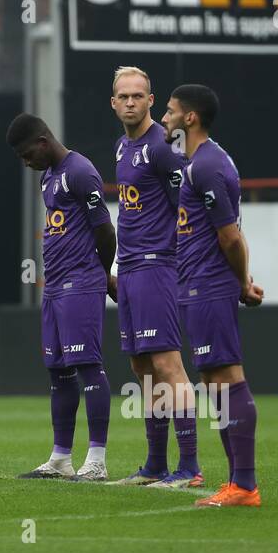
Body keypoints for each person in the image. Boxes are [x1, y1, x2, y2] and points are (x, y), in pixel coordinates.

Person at [159, 85, 265, 508]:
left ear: (190, 118)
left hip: (208, 286)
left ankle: (245, 485)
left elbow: (230, 235)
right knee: (214, 383)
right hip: (197, 286)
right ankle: (238, 483)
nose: (164, 119)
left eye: (169, 112)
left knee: (226, 379)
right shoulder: (200, 162)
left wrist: (241, 282)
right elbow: (231, 229)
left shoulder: (206, 166)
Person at [7, 113, 116, 482]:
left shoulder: (80, 171)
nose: (26, 163)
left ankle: (97, 460)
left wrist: (101, 274)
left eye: (26, 155)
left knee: (88, 366)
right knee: (58, 371)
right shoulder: (48, 178)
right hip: (54, 286)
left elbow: (104, 229)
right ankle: (61, 459)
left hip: (81, 282)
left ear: (42, 142)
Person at [107, 67, 202, 489]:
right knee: (142, 368)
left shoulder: (163, 147)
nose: (130, 102)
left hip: (156, 265)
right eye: (123, 96)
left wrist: (181, 260)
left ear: (150, 100)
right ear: (113, 103)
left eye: (138, 96)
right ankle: (155, 465)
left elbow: (185, 205)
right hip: (128, 269)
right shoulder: (121, 148)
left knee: (168, 365)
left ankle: (190, 467)